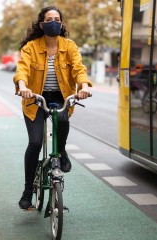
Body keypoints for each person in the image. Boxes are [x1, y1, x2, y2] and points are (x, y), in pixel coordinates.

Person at [13, 5, 92, 209]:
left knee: (63, 119)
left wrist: (83, 86)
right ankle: (28, 190)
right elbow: (22, 68)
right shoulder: (31, 47)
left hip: (59, 96)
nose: (53, 22)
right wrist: (22, 86)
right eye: (49, 19)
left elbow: (78, 68)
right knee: (35, 143)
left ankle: (62, 150)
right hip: (35, 98)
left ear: (61, 23)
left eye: (57, 19)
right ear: (42, 24)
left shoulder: (69, 46)